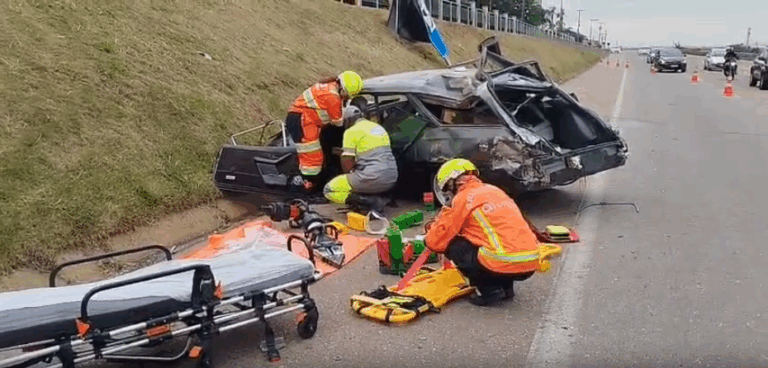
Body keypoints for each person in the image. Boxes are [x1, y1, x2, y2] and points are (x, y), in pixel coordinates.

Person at [423, 158, 546, 306]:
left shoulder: (463, 198)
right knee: (495, 241)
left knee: (454, 245)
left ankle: (489, 291)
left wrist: (429, 235)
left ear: (451, 182)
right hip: (530, 262)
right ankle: (506, 287)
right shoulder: (494, 190)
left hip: (503, 263)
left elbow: (435, 242)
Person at [286, 71, 364, 189]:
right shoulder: (332, 97)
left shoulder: (327, 86)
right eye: (347, 96)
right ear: (343, 90)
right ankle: (307, 186)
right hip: (304, 121)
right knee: (312, 158)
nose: (346, 99)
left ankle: (306, 182)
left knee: (309, 156)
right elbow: (338, 122)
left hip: (301, 118)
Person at [323, 103, 398, 214]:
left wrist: (343, 156)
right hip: (391, 178)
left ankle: (367, 202)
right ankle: (381, 197)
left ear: (348, 121)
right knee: (365, 175)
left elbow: (347, 167)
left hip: (372, 179)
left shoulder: (351, 132)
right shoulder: (378, 128)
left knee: (329, 190)